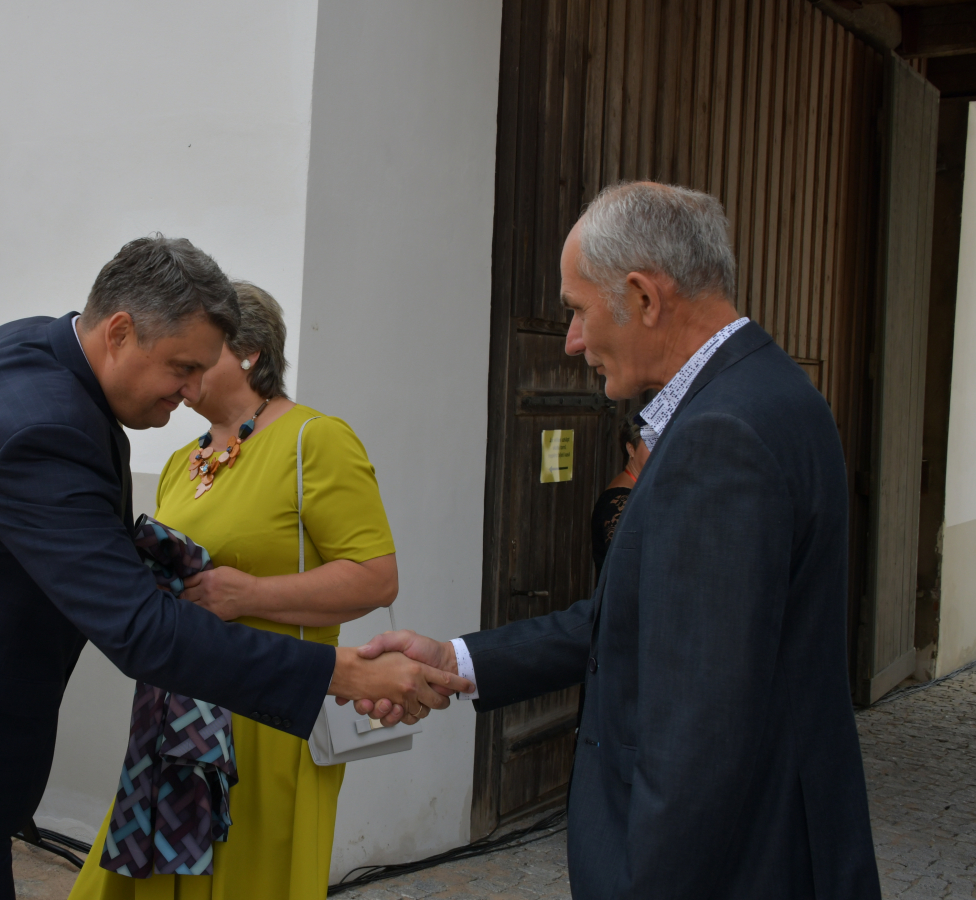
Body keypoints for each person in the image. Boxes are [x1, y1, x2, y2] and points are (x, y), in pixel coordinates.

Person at [0, 237, 471, 900]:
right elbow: (141, 630)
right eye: (182, 368)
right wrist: (343, 673)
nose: (190, 391)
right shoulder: (44, 428)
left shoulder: (31, 351)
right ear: (120, 331)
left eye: (203, 369)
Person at [358, 183, 881, 900]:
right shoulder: (765, 392)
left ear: (643, 297)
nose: (572, 341)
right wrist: (460, 660)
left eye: (578, 310)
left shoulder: (722, 433)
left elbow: (701, 728)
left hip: (741, 866)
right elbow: (651, 622)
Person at [71, 282, 397, 899]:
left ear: (249, 352)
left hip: (268, 714)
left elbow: (377, 577)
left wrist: (246, 596)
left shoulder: (314, 439)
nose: (185, 375)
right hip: (178, 714)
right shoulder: (182, 461)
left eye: (200, 356)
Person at [589, 417, 648, 575]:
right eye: (650, 443)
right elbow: (625, 567)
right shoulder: (618, 502)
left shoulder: (639, 489)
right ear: (631, 449)